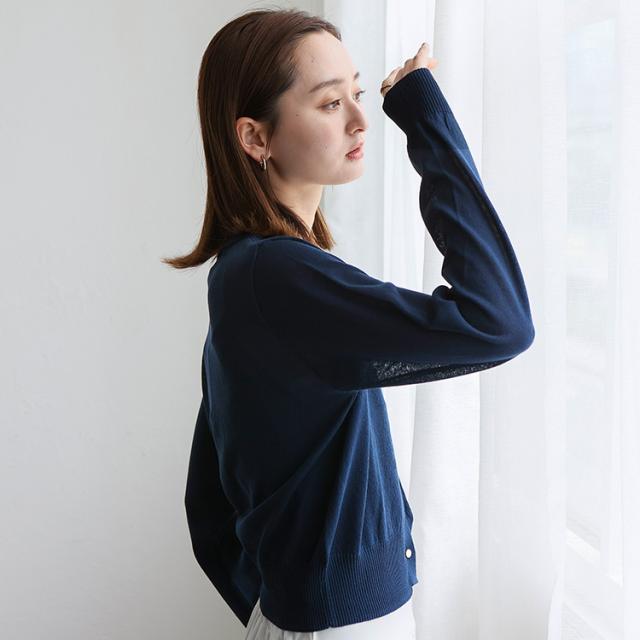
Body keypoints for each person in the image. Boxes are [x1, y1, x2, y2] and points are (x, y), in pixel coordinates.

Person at [163, 8, 535, 640]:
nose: (362, 120)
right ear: (255, 138)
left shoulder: (250, 272)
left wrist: (283, 608)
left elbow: (211, 498)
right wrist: (425, 120)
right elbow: (498, 322)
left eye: (358, 94)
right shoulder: (276, 275)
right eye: (331, 103)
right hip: (346, 624)